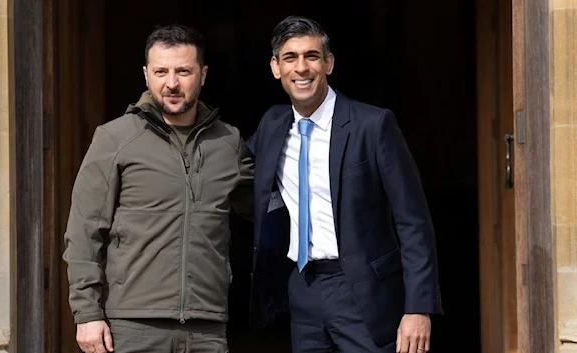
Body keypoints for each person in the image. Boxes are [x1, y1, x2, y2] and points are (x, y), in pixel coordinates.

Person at [247, 15, 443, 353]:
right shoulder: (272, 125)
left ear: (329, 63)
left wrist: (417, 307)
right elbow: (230, 163)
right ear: (276, 68)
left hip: (365, 295)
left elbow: (413, 222)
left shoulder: (373, 125)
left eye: (311, 56)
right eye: (290, 58)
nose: (301, 68)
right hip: (302, 289)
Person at [63, 24, 253, 353]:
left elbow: (268, 206)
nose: (172, 83)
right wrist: (87, 313)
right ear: (146, 74)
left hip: (206, 327)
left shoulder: (228, 143)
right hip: (134, 326)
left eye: (183, 71)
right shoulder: (115, 138)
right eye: (161, 71)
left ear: (203, 74)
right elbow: (84, 230)